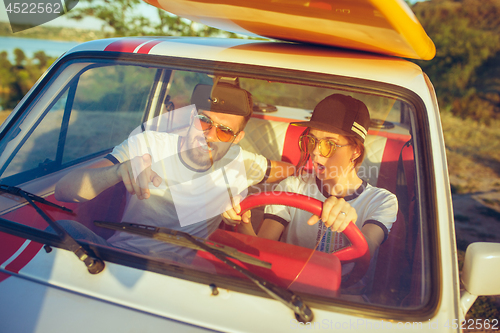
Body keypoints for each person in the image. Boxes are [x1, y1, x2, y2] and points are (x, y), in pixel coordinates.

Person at [54, 82, 294, 260]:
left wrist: (324, 185)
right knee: (65, 229)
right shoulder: (147, 144)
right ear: (191, 116)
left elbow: (288, 171)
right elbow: (64, 191)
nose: (209, 135)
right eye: (204, 120)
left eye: (224, 131)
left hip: (185, 274)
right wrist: (117, 171)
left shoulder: (240, 161)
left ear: (237, 138)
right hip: (120, 255)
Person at [230, 94, 398, 275]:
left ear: (356, 151)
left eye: (329, 144)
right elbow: (262, 251)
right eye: (312, 141)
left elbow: (368, 248)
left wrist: (350, 221)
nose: (316, 152)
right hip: (282, 285)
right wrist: (243, 222)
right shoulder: (291, 187)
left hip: (345, 298)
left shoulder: (382, 201)